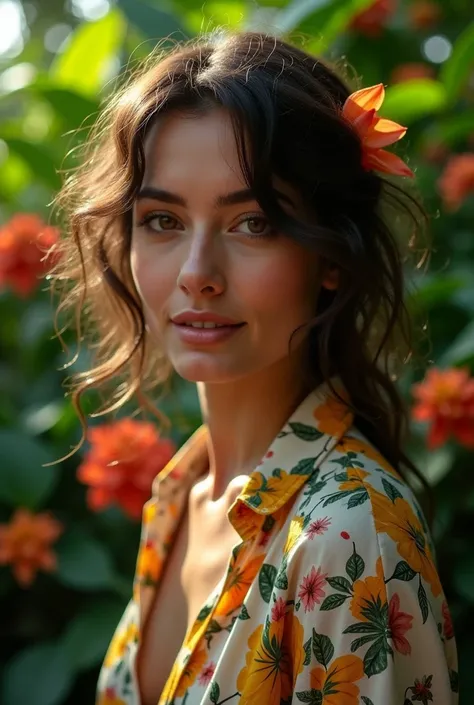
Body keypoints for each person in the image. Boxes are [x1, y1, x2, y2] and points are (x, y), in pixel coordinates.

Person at [52, 29, 458, 705]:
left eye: (255, 223)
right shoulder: (181, 493)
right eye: (161, 220)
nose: (196, 274)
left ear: (331, 257)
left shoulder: (351, 532)